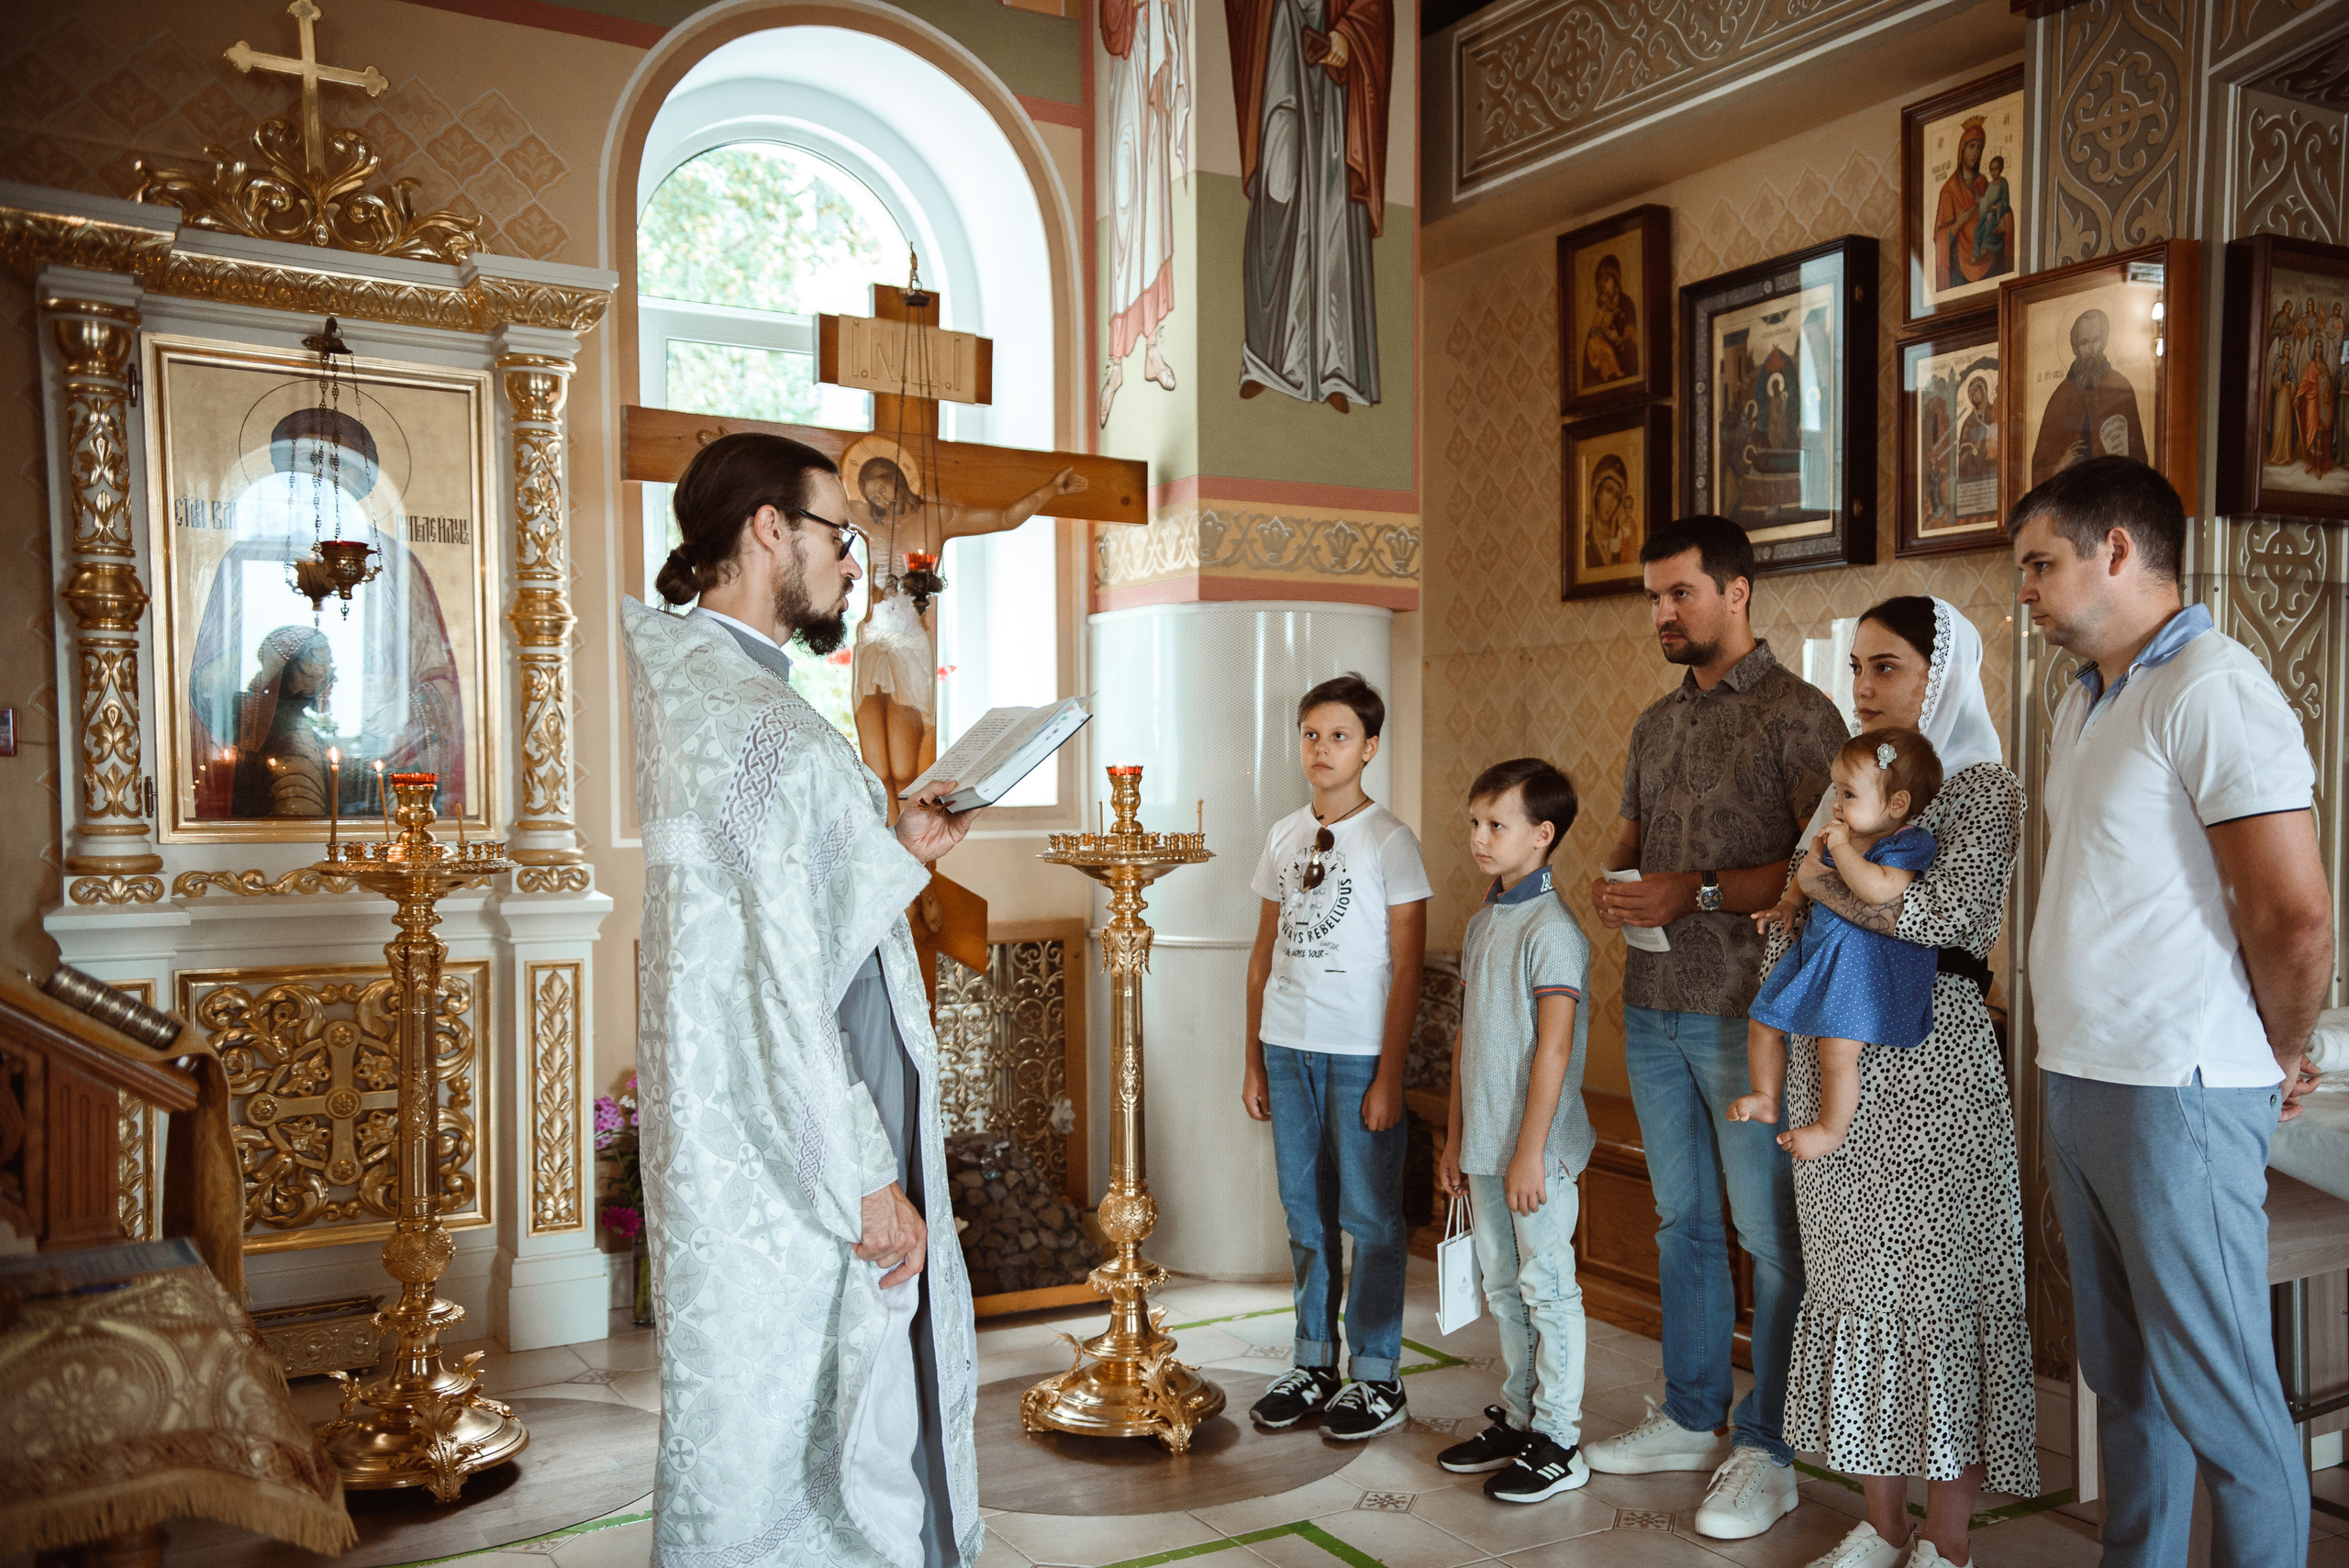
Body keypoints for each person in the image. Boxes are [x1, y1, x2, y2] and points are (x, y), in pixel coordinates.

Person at [623, 431, 986, 1568]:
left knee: (757, 1411)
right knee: (798, 1419)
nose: (852, 562)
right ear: (768, 528)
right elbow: (785, 980)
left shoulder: (701, 685)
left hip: (737, 1129)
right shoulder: (758, 722)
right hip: (791, 1143)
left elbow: (780, 922)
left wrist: (896, 848)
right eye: (839, 533)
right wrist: (866, 1174)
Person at [2018, 456, 2331, 1564]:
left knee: (2225, 1397)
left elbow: (2293, 911)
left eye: (2039, 563)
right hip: (2083, 1074)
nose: (2025, 589)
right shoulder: (2085, 695)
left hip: (2178, 1087)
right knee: (2127, 1379)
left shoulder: (2212, 684)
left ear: (2116, 549)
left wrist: (2277, 1045)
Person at [1582, 515, 1845, 1539]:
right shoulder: (1654, 723)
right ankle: (1693, 1415)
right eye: (1654, 596)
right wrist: (1613, 883)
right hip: (1653, 1004)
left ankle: (1768, 1445)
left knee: (1769, 1238)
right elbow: (1631, 837)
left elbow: (1824, 866)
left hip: (1752, 1016)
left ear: (1736, 591)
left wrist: (1687, 889)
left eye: (1678, 592)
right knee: (1681, 1223)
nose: (1661, 611)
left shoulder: (1801, 715)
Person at [1760, 594, 2036, 1567]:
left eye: (1887, 666)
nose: (1864, 686)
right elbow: (1793, 913)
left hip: (1933, 1063)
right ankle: (1880, 1525)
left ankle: (1946, 1542)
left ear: (1940, 674)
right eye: (1857, 667)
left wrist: (1823, 884)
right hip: (1832, 1059)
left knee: (1940, 1291)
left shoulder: (1984, 787)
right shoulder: (1847, 785)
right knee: (1858, 1289)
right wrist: (1815, 901)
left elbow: (1945, 917)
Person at [1241, 673, 1429, 1439]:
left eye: (1340, 736)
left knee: (1371, 1216)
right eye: (1311, 734)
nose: (1322, 749)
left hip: (1358, 1055)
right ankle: (1314, 1361)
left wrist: (1389, 1074)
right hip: (1288, 1049)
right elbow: (1262, 955)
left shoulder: (1390, 839)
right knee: (1305, 1212)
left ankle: (1376, 1375)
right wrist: (1253, 1058)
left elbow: (1408, 968)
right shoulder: (1284, 834)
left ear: (1370, 747)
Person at [1434, 758, 1595, 1503]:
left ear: (1542, 833)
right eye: (1476, 822)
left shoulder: (1552, 929)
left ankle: (1561, 1439)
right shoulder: (1483, 921)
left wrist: (1531, 1150)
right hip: (1487, 1145)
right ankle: (1524, 1415)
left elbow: (1553, 1050)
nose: (1480, 837)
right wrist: (1455, 1138)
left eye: (1496, 824)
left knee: (1548, 1288)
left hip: (1538, 1152)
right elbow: (1467, 1040)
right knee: (1504, 1285)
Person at [1732, 727, 1942, 1160]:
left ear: (1896, 804)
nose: (1836, 804)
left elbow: (1878, 890)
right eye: (1837, 791)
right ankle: (1766, 1097)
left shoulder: (1907, 843)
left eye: (1849, 794)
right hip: (1818, 953)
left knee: (1837, 1050)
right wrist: (1789, 904)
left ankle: (1831, 1128)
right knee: (1762, 1022)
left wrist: (1842, 849)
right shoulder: (1834, 836)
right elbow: (1806, 876)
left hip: (1859, 970)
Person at [2028, 307, 2148, 486]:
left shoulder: (2121, 389)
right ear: (2075, 347)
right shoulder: (2060, 398)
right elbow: (2038, 472)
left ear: (2105, 341)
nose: (2091, 350)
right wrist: (2060, 465)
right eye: (2084, 343)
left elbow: (2140, 461)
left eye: (2096, 340)